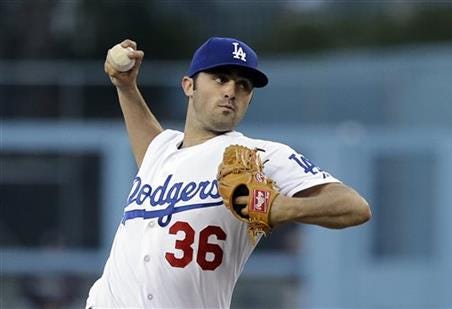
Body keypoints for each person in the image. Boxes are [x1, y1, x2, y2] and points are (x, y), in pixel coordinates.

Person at [86, 36, 371, 309]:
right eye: (220, 78)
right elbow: (150, 145)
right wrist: (126, 86)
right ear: (189, 86)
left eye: (243, 85)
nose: (231, 91)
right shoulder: (161, 150)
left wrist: (285, 208)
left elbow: (355, 207)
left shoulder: (258, 155)